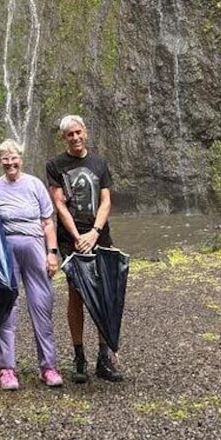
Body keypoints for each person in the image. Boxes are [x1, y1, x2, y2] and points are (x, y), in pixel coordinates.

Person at [46, 114, 125, 383]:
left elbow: (105, 201)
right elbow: (58, 204)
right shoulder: (55, 165)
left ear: (86, 133)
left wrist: (94, 232)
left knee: (103, 294)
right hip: (71, 240)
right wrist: (77, 236)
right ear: (64, 138)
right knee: (76, 294)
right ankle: (79, 357)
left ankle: (104, 357)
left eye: (79, 132)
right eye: (70, 134)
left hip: (99, 237)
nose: (76, 137)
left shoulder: (99, 164)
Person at [0, 139, 63, 390]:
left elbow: (48, 221)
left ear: (21, 158)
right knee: (6, 309)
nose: (10, 163)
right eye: (5, 159)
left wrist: (52, 254)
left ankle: (48, 366)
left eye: (14, 158)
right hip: (6, 249)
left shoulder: (35, 185)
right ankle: (5, 368)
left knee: (41, 305)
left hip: (34, 246)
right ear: (0, 161)